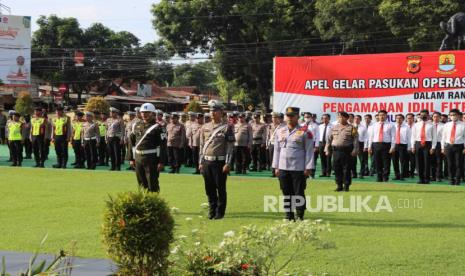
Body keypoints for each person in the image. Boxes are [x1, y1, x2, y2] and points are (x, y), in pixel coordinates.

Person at [273, 107, 314, 220]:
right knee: (286, 192)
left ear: (298, 116)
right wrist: (276, 166)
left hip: (298, 167)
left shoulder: (305, 131)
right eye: (288, 116)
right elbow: (276, 150)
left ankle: (300, 215)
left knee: (298, 193)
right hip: (283, 167)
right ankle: (288, 215)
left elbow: (309, 150)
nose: (289, 118)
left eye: (292, 116)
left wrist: (308, 167)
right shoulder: (280, 131)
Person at [199, 100, 235, 220]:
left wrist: (228, 163)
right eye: (210, 110)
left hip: (219, 162)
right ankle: (212, 210)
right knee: (209, 188)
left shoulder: (227, 128)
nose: (212, 112)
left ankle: (220, 212)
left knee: (220, 188)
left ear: (221, 112)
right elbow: (201, 145)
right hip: (206, 162)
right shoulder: (205, 127)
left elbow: (230, 147)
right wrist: (200, 162)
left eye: (215, 110)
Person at [128, 103, 167, 192]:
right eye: (142, 112)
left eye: (147, 112)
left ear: (153, 114)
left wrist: (161, 161)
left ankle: (154, 204)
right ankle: (143, 204)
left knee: (152, 184)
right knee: (141, 184)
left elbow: (163, 145)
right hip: (138, 158)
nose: (144, 114)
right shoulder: (136, 125)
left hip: (151, 158)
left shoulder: (159, 127)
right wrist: (131, 158)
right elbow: (131, 142)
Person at [325, 112, 359, 192]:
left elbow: (355, 140)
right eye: (338, 117)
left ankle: (346, 186)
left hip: (347, 151)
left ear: (346, 118)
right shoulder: (334, 127)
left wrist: (355, 150)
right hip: (336, 151)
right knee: (337, 169)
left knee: (346, 169)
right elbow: (329, 139)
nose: (340, 118)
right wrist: (327, 148)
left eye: (342, 117)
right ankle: (339, 185)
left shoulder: (352, 128)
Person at [368, 110, 395, 182]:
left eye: (383, 115)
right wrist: (369, 146)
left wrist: (392, 147)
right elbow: (371, 136)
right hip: (376, 144)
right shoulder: (374, 125)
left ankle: (385, 177)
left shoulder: (391, 125)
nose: (382, 116)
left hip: (386, 145)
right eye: (380, 115)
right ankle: (379, 177)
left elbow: (393, 137)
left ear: (386, 116)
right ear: (378, 116)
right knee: (377, 161)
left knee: (386, 162)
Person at [411, 109, 437, 184]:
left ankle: (427, 179)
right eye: (421, 115)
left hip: (428, 144)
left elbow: (434, 137)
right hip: (418, 143)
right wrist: (412, 146)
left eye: (425, 115)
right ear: (420, 115)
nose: (423, 116)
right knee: (419, 163)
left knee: (427, 162)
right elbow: (413, 136)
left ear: (428, 115)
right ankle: (420, 178)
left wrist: (433, 147)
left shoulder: (432, 125)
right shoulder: (416, 125)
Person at [441, 109, 465, 185]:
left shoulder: (463, 125)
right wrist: (442, 147)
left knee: (458, 164)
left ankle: (457, 180)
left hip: (459, 146)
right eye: (451, 115)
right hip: (448, 146)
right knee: (450, 164)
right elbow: (443, 137)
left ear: (458, 115)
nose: (452, 116)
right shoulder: (446, 125)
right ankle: (451, 179)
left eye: (454, 115)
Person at [392, 114, 411, 181]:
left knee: (403, 161)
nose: (398, 120)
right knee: (395, 161)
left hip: (403, 146)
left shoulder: (407, 127)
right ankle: (397, 175)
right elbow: (392, 137)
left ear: (403, 119)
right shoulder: (393, 126)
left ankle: (402, 175)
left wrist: (409, 147)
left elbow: (409, 138)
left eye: (400, 118)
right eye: (397, 118)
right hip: (394, 145)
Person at [301, 112, 320, 179]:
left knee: (312, 159)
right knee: (303, 158)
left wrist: (316, 146)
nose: (307, 118)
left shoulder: (315, 126)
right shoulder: (302, 125)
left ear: (311, 117)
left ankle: (312, 174)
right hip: (303, 144)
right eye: (305, 117)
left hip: (312, 143)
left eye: (308, 117)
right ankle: (304, 173)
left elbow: (317, 136)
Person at [267, 112, 285, 177]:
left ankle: (279, 171)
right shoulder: (270, 125)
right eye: (273, 117)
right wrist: (267, 143)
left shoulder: (283, 126)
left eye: (275, 118)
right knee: (272, 158)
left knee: (279, 158)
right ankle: (273, 172)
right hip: (272, 143)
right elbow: (268, 135)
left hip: (279, 144)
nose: (274, 119)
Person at [430, 112, 444, 181]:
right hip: (430, 144)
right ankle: (432, 176)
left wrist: (443, 147)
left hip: (439, 144)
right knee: (431, 161)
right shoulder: (429, 125)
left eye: (437, 116)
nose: (436, 118)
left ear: (440, 117)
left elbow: (444, 137)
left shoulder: (443, 126)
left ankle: (438, 176)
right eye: (434, 116)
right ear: (432, 117)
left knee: (439, 161)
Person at [405, 113, 416, 178]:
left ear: (413, 119)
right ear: (406, 119)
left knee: (413, 161)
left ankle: (412, 173)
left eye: (410, 118)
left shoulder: (416, 126)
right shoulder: (404, 126)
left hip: (414, 146)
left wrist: (413, 146)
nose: (409, 119)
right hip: (405, 146)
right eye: (408, 118)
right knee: (405, 161)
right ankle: (406, 173)